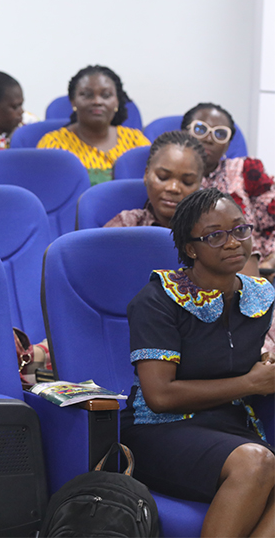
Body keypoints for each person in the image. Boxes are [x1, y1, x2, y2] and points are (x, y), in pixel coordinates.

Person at [121, 188, 274, 538]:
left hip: (230, 426)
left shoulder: (261, 295)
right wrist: (251, 383)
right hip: (159, 430)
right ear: (191, 249)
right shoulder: (158, 299)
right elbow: (160, 396)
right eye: (215, 236)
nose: (233, 242)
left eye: (239, 230)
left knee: (257, 460)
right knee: (256, 461)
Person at [182, 102, 275, 276]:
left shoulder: (246, 170)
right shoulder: (175, 180)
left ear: (228, 144)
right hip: (204, 272)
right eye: (201, 129)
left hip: (261, 268)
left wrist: (271, 261)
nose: (209, 139)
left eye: (220, 134)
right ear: (184, 133)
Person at [37, 65, 150, 185]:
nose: (97, 101)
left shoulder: (135, 140)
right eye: (87, 95)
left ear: (117, 101)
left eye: (106, 95)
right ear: (73, 101)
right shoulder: (54, 144)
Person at [105, 131, 207, 229]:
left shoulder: (210, 230)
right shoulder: (126, 225)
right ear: (146, 174)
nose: (173, 188)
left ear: (200, 184)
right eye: (163, 177)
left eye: (187, 182)